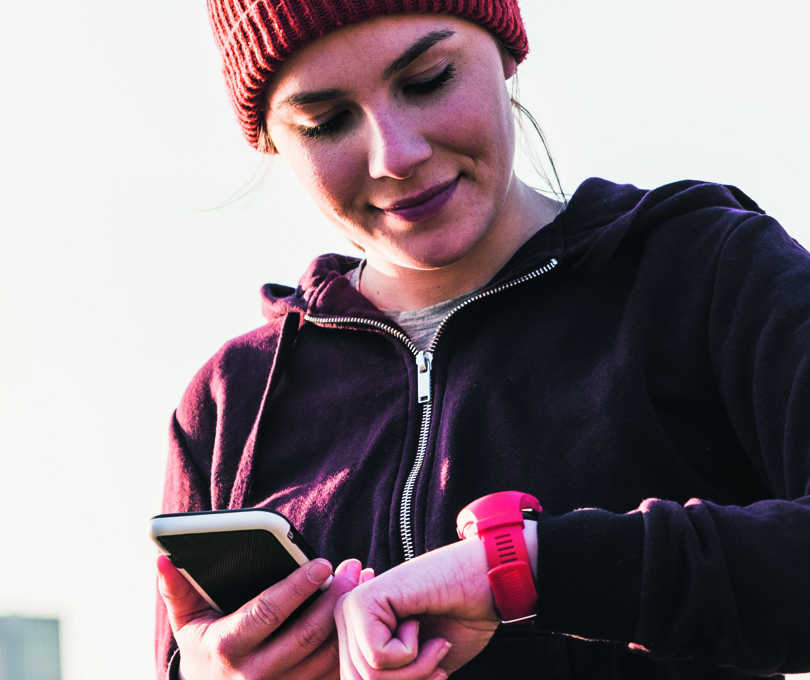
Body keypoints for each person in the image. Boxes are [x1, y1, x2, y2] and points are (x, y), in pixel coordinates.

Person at [155, 1, 810, 678]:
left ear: (506, 50)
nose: (396, 154)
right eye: (326, 122)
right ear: (270, 138)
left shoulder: (706, 272)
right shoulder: (230, 400)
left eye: (428, 79)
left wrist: (529, 569)